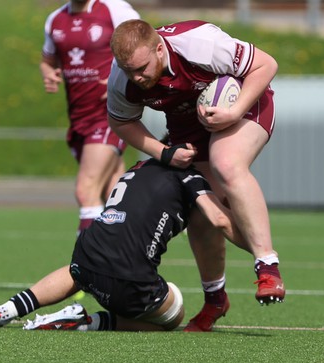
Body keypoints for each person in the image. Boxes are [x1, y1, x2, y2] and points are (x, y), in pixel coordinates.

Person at [106, 19, 286, 330]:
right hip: (191, 123)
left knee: (226, 162)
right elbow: (122, 123)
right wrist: (163, 153)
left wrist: (233, 110)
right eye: (129, 71)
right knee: (202, 209)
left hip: (245, 101)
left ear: (159, 49)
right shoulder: (122, 78)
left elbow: (266, 65)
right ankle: (215, 300)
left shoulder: (198, 44)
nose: (136, 77)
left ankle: (267, 266)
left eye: (142, 68)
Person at [0, 157, 247, 332]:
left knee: (77, 270)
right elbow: (220, 220)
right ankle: (87, 323)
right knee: (174, 314)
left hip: (88, 250)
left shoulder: (139, 166)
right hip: (129, 277)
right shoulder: (191, 177)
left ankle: (8, 309)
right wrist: (263, 252)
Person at [40, 0, 140, 234]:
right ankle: (126, 259)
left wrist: (123, 78)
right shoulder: (55, 19)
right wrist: (49, 73)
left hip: (109, 114)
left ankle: (87, 266)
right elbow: (47, 60)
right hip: (78, 117)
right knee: (114, 194)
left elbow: (146, 45)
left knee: (86, 190)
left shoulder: (114, 9)